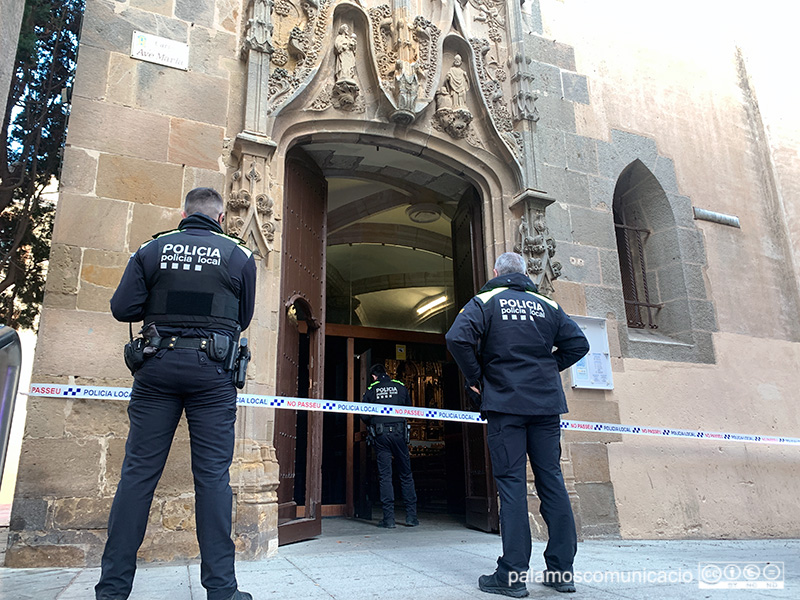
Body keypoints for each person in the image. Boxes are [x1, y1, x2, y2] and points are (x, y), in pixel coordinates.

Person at [96, 188, 257, 600]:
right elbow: (243, 317)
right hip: (213, 374)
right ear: (221, 218)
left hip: (156, 370)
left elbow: (122, 308)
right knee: (212, 480)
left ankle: (112, 592)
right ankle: (222, 591)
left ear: (183, 213)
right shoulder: (238, 254)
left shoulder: (153, 249)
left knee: (136, 477)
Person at [446, 252, 589, 597]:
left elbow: (456, 338)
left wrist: (478, 378)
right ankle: (561, 573)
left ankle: (512, 575)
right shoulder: (547, 304)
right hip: (545, 405)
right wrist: (546, 367)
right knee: (551, 481)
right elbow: (579, 344)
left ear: (496, 272)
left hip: (506, 405)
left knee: (511, 486)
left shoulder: (486, 300)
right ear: (525, 273)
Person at [361, 363, 419, 528]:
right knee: (406, 474)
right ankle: (411, 517)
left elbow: (363, 416)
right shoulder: (399, 386)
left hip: (381, 436)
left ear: (374, 376)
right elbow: (409, 410)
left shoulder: (372, 389)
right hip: (400, 435)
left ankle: (389, 519)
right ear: (386, 373)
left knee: (385, 476)